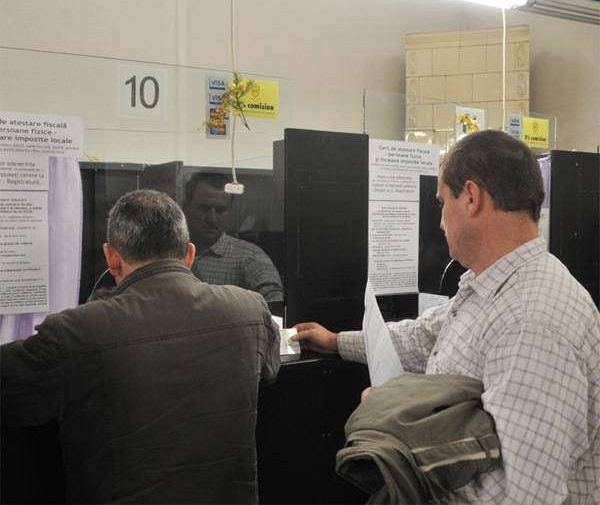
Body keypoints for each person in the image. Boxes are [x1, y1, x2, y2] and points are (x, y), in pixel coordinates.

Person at [292, 130, 600, 504]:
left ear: (470, 197)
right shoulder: (496, 285)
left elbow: (524, 495)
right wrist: (336, 341)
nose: (440, 222)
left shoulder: (532, 322)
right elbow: (425, 336)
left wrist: (396, 427)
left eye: (442, 202)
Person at [1, 189, 280, 504]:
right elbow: (270, 370)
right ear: (189, 255)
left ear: (112, 258)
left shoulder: (77, 332)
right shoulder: (250, 309)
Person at [183, 172, 283, 303]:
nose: (212, 218)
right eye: (204, 209)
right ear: (185, 208)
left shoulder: (249, 258)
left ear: (230, 212)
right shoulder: (169, 253)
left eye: (220, 210)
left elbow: (275, 304)